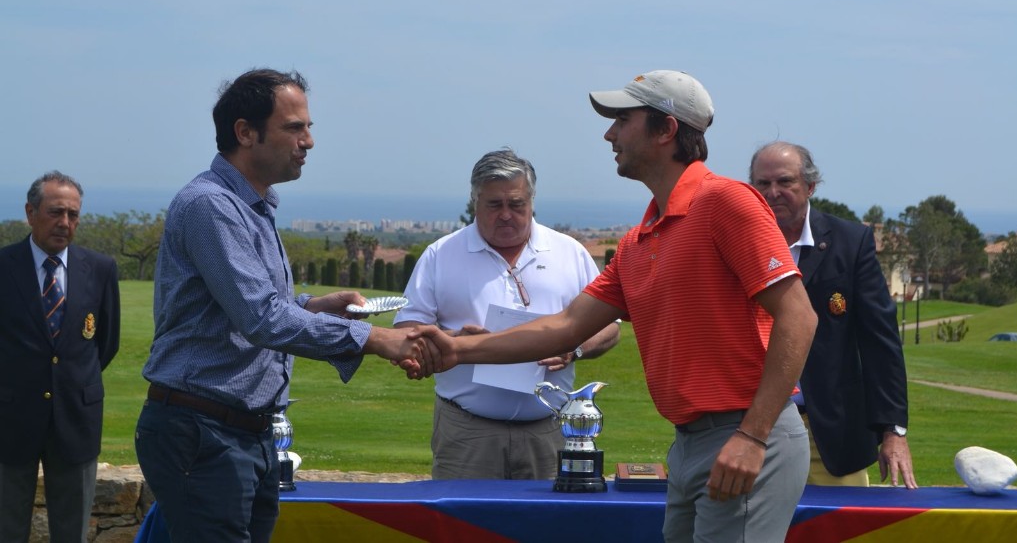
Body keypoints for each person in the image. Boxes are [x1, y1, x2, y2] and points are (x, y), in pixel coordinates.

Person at [405, 70, 818, 543]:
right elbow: (565, 327)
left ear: (666, 130)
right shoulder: (640, 240)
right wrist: (458, 352)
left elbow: (799, 317)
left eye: (622, 120)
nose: (609, 134)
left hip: (745, 436)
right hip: (691, 444)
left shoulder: (726, 202)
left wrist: (752, 436)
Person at [135, 68, 436, 543]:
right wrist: (377, 339)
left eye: (308, 127)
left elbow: (253, 307)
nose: (309, 141)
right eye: (295, 128)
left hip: (242, 433)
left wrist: (315, 305)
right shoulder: (210, 206)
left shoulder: (253, 204)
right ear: (245, 132)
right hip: (203, 432)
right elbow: (261, 318)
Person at [394, 148, 620, 480]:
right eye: (494, 205)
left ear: (532, 201)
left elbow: (610, 327)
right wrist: (454, 342)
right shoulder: (440, 255)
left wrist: (574, 348)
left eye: (516, 205)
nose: (506, 215)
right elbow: (408, 330)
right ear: (474, 202)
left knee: (548, 529)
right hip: (467, 432)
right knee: (463, 529)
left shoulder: (569, 253)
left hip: (549, 430)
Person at [749, 141, 917, 488]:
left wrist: (893, 430)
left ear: (810, 186)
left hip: (831, 436)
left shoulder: (850, 242)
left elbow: (880, 343)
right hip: (750, 431)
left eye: (784, 182)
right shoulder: (736, 243)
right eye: (762, 184)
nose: (773, 192)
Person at [0, 171, 121, 543]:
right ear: (30, 212)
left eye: (73, 214)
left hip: (76, 421)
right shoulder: (4, 267)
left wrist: (68, 380)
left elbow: (106, 342)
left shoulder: (100, 269)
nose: (65, 223)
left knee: (71, 533)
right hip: (10, 422)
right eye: (55, 212)